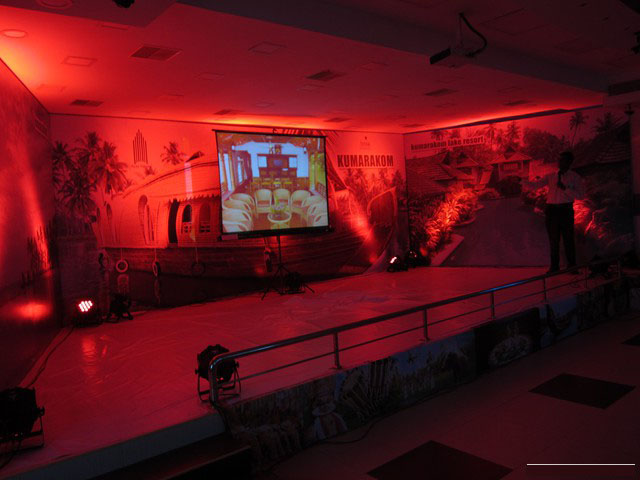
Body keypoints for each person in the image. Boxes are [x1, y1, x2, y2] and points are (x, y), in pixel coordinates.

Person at [530, 151, 585, 274]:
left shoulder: (575, 177)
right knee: (553, 240)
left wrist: (565, 188)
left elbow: (580, 195)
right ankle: (554, 267)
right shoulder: (551, 176)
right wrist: (520, 181)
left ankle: (572, 266)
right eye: (559, 160)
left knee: (568, 239)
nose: (559, 162)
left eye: (562, 160)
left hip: (565, 210)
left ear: (569, 162)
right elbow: (535, 185)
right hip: (552, 210)